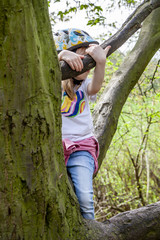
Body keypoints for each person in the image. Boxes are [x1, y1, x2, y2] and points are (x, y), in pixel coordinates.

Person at [54, 28, 111, 220]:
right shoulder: (52, 82)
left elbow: (96, 86)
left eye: (89, 63)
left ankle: (90, 228)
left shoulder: (85, 87)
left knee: (85, 199)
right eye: (81, 60)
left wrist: (101, 62)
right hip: (53, 150)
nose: (86, 67)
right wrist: (62, 54)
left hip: (80, 148)